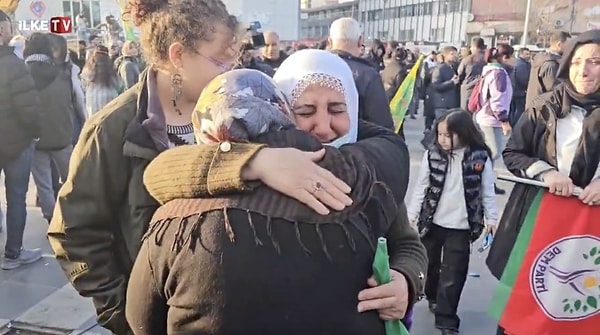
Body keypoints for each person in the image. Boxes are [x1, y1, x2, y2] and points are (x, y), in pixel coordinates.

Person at [47, 1, 353, 333]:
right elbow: (73, 233)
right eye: (221, 60)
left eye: (233, 60)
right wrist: (121, 312)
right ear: (178, 56)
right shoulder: (113, 129)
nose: (230, 71)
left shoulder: (244, 102)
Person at [127, 66, 426, 334]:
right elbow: (160, 172)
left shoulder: (364, 176)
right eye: (306, 112)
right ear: (283, 110)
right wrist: (254, 162)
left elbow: (408, 243)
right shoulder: (362, 184)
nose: (322, 127)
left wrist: (406, 280)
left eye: (337, 108)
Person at [486, 29, 600, 335]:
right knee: (524, 304)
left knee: (580, 304)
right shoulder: (546, 105)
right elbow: (513, 152)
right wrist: (546, 173)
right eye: (576, 62)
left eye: (594, 62)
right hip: (537, 220)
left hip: (591, 231)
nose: (583, 70)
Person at [408, 109, 498, 335]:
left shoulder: (480, 157)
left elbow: (487, 189)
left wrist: (492, 218)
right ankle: (433, 296)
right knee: (429, 267)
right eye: (440, 135)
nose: (442, 140)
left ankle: (447, 319)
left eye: (448, 135)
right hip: (432, 222)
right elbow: (422, 186)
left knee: (454, 273)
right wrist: (411, 215)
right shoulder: (433, 155)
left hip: (462, 227)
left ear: (464, 133)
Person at [0, 9, 43, 270]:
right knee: (16, 198)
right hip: (16, 142)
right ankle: (13, 254)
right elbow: (28, 108)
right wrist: (35, 132)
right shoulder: (14, 65)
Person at [24, 33, 76, 224]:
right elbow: (75, 102)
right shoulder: (62, 74)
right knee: (70, 179)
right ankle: (72, 217)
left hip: (35, 139)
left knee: (44, 184)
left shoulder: (21, 74)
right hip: (62, 137)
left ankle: (51, 220)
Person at [328, 18, 393, 129]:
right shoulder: (368, 75)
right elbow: (382, 126)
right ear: (360, 41)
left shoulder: (313, 70)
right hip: (357, 143)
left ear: (330, 41)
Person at [475, 44, 514, 195]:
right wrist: (504, 120)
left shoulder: (489, 70)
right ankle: (484, 183)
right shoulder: (499, 74)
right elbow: (498, 99)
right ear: (504, 57)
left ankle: (486, 182)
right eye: (512, 56)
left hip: (485, 116)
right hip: (491, 119)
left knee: (488, 151)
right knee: (493, 152)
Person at [525, 31, 571, 109]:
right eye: (568, 45)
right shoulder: (551, 64)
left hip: (535, 106)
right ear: (559, 45)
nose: (570, 48)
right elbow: (554, 92)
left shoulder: (541, 58)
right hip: (543, 110)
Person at [81, 45, 121, 115]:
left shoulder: (88, 69)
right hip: (109, 96)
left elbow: (83, 85)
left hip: (92, 97)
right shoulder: (110, 69)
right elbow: (118, 85)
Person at [457, 37, 486, 110]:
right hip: (482, 89)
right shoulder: (487, 59)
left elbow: (460, 74)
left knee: (466, 113)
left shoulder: (467, 60)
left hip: (468, 90)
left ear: (474, 47)